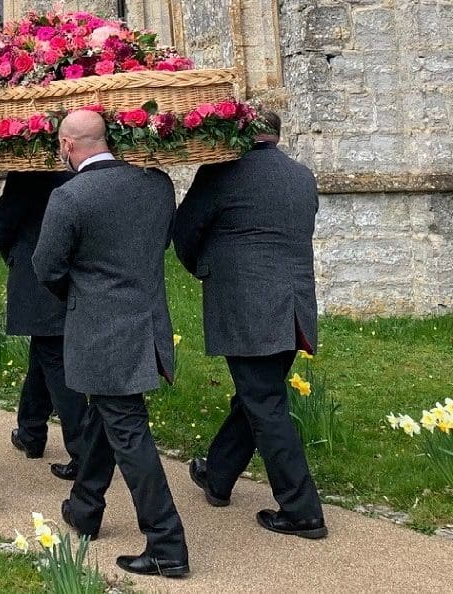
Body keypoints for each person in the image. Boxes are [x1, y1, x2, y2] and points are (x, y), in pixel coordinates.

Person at [33, 110, 189, 578]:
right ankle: (85, 506)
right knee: (109, 412)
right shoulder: (158, 185)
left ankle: (167, 545)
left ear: (66, 145)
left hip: (103, 333)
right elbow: (160, 242)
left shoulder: (70, 197)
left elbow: (47, 267)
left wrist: (84, 298)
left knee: (128, 431)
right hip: (146, 322)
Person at [172, 111, 328, 540]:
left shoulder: (221, 172)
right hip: (294, 307)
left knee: (265, 405)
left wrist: (204, 268)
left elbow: (184, 232)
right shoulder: (301, 175)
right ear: (278, 135)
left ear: (237, 130)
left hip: (246, 306)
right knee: (257, 397)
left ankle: (302, 511)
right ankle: (217, 476)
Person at [0, 171, 88, 481]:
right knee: (45, 351)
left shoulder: (28, 175)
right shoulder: (78, 170)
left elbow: (4, 224)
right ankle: (31, 432)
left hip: (38, 273)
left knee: (55, 360)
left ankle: (83, 450)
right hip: (73, 270)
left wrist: (16, 258)